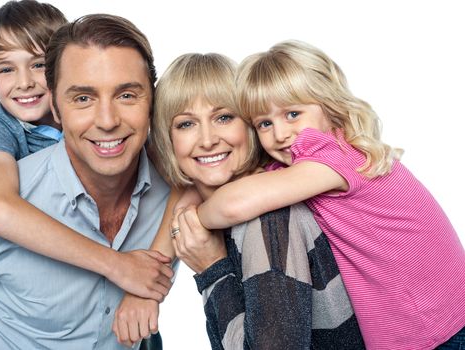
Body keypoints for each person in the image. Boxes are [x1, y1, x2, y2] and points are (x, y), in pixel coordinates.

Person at [190, 40, 465, 349]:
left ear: (329, 106)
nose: (280, 134)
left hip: (437, 330)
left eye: (292, 114)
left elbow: (232, 205)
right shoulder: (304, 166)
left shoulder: (333, 156)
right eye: (265, 123)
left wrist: (193, 220)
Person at [0, 13, 174, 349]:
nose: (107, 121)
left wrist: (146, 294)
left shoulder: (172, 180)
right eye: (83, 98)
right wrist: (117, 266)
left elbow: (195, 187)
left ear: (153, 101)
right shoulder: (0, 176)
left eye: (126, 95)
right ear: (59, 106)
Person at [134, 52, 365, 349]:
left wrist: (212, 267)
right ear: (168, 139)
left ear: (250, 126)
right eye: (186, 124)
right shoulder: (235, 208)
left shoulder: (266, 219)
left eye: (224, 117)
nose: (207, 140)